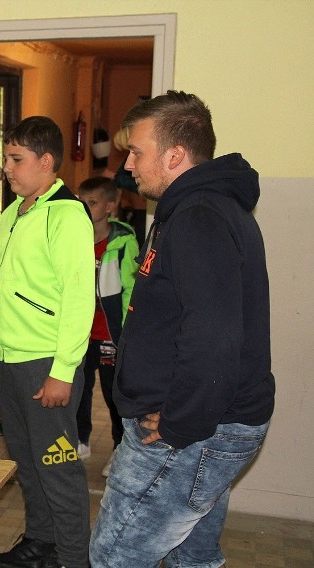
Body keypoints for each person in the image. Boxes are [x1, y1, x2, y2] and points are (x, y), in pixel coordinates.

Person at [90, 91, 275, 568]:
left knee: (115, 557)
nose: (128, 164)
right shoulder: (193, 210)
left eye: (137, 151)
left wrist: (180, 425)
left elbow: (213, 337)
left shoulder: (199, 217)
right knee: (192, 559)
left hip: (190, 431)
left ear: (175, 155)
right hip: (202, 424)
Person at [0, 116, 95, 568]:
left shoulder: (67, 214)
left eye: (16, 159)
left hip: (47, 363)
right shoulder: (14, 212)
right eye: (5, 158)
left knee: (58, 469)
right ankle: (40, 543)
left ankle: (73, 559)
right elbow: (5, 284)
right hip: (11, 361)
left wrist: (62, 371)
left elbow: (78, 299)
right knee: (27, 464)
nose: (6, 168)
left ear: (47, 161)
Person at [74, 176, 139, 476]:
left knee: (114, 395)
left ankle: (119, 448)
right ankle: (80, 438)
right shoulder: (73, 238)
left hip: (110, 333)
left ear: (110, 206)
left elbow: (130, 289)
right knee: (79, 389)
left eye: (92, 203)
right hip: (79, 333)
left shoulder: (124, 241)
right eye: (81, 202)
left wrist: (125, 333)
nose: (85, 208)